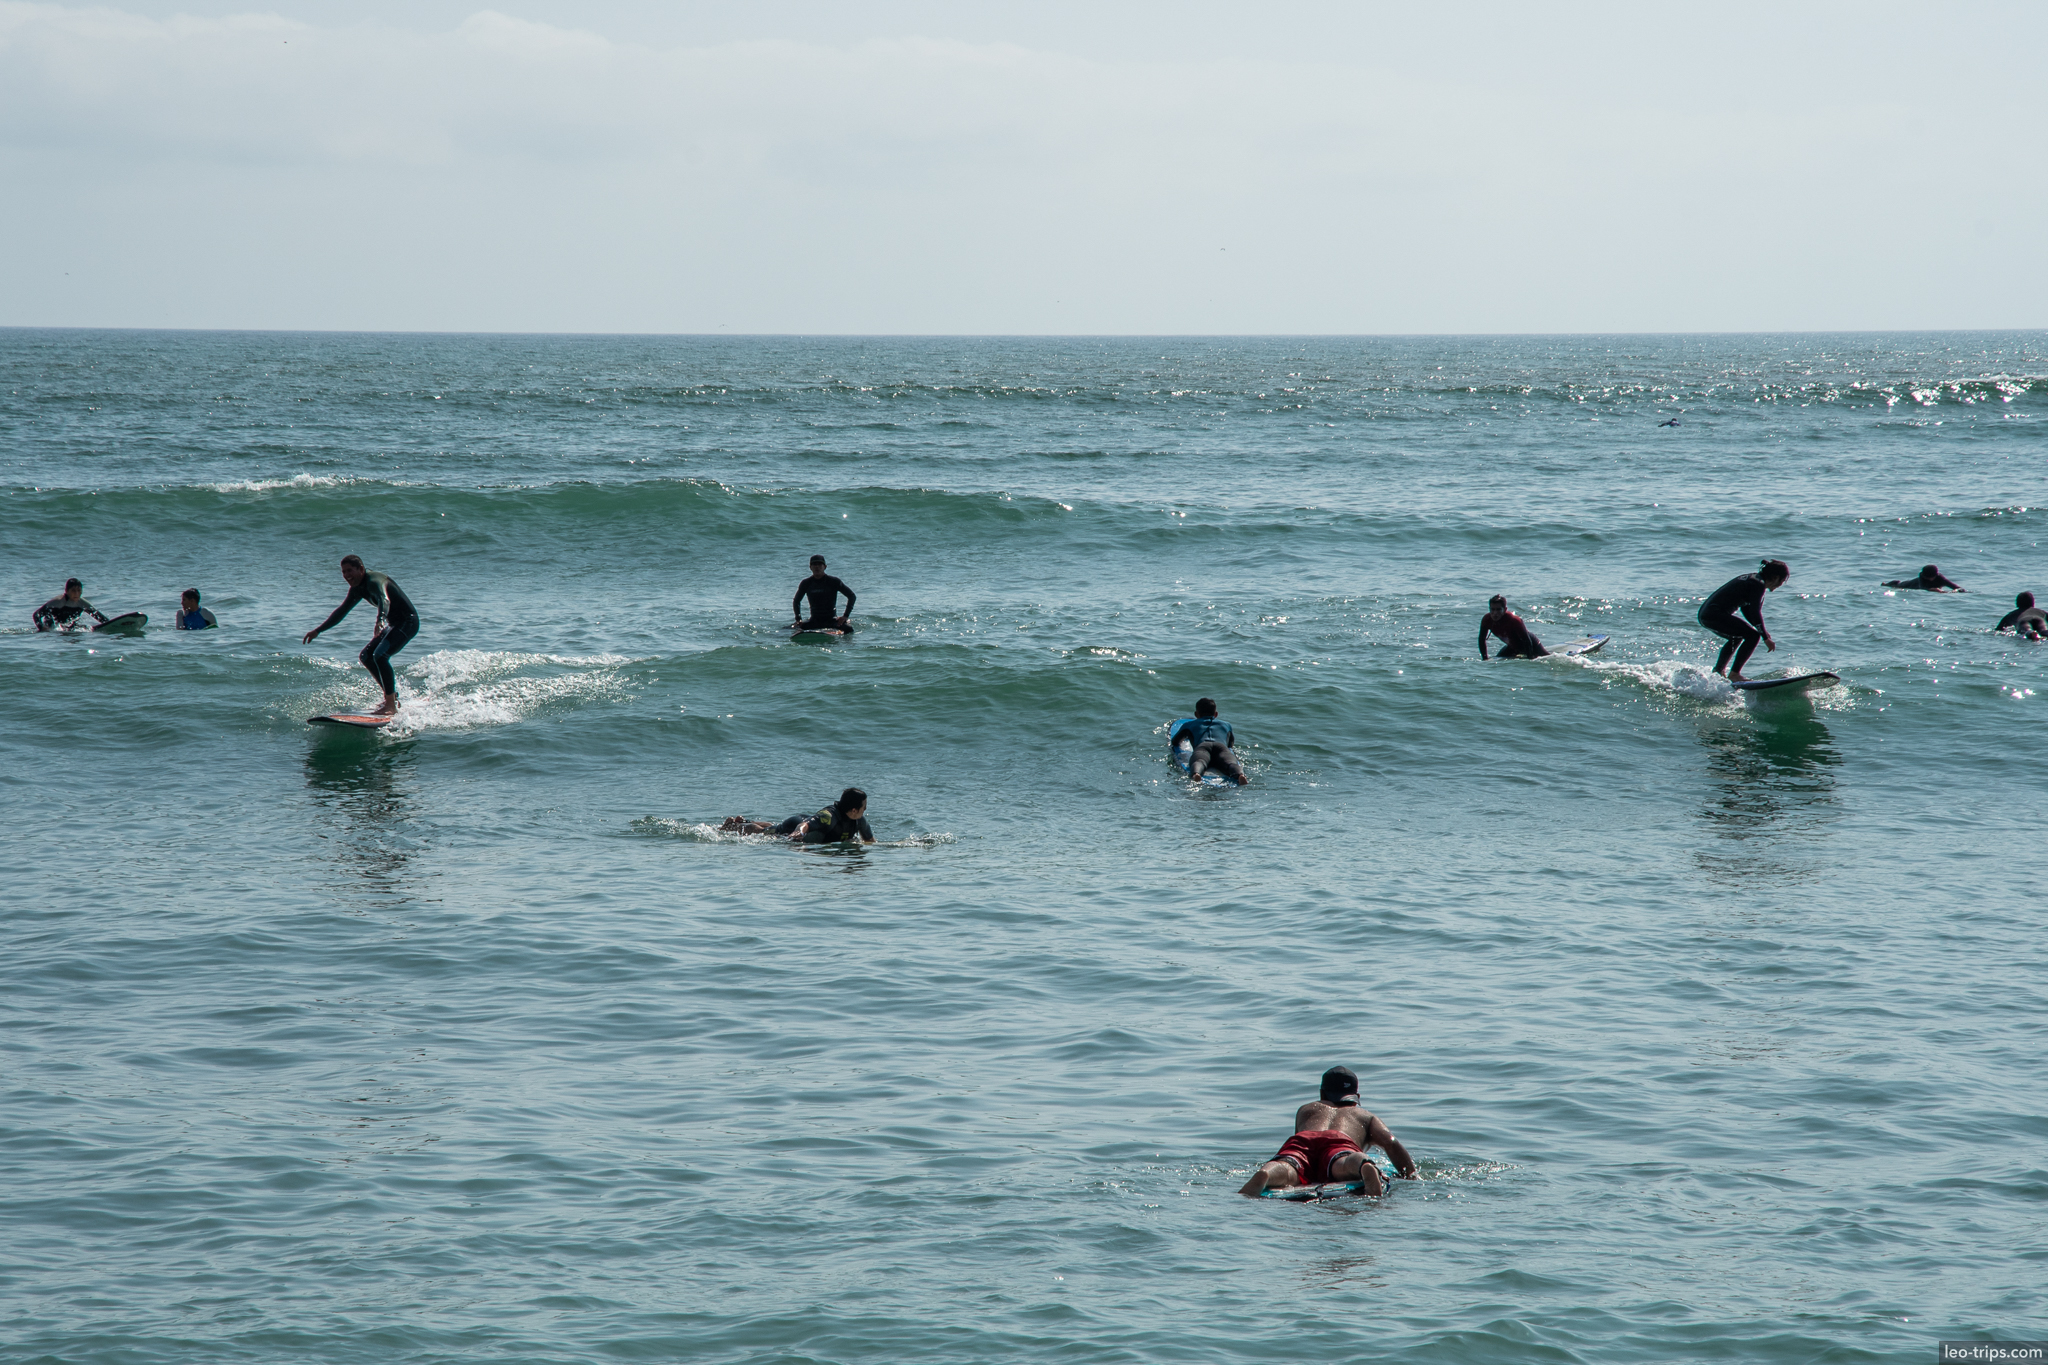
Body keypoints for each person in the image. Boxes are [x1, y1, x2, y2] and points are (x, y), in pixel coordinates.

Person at [1238, 1065, 1420, 1198]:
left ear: (1322, 1094)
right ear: (1356, 1097)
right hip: (1339, 1143)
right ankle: (1362, 1164)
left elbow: (1301, 1143)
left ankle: (1268, 1173)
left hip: (1303, 1141)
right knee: (1343, 1162)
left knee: (1291, 1164)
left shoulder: (1306, 1109)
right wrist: (1411, 1175)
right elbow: (1391, 1143)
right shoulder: (1364, 1116)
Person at [302, 555, 420, 716]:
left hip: (408, 622)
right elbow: (341, 611)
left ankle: (391, 705)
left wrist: (380, 620)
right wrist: (318, 630)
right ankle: (392, 698)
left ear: (361, 569)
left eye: (350, 570)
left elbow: (384, 600)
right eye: (343, 572)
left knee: (380, 655)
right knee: (366, 656)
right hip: (394, 624)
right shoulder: (357, 589)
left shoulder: (374, 581)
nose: (346, 575)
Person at [1699, 559, 1789, 682]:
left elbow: (1747, 610)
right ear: (1775, 577)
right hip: (1714, 614)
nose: (1781, 585)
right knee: (1753, 636)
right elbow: (1755, 613)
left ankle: (1719, 671)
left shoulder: (1754, 580)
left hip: (1707, 615)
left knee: (1737, 636)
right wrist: (1764, 637)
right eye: (1782, 581)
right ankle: (1735, 674)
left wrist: (1763, 631)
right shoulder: (1757, 585)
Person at [720, 788, 877, 844]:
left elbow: (870, 841)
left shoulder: (859, 821)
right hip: (797, 823)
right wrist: (799, 832)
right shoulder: (828, 816)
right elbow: (807, 824)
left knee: (775, 826)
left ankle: (745, 820)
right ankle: (734, 826)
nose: (866, 809)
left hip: (805, 821)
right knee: (771, 832)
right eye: (864, 807)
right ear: (854, 809)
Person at [1169, 699, 1247, 785]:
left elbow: (1175, 741)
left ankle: (1196, 774)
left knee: (1199, 761)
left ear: (1196, 714)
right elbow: (1230, 745)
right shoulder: (1227, 725)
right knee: (1230, 763)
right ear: (1216, 714)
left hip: (1202, 747)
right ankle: (1240, 775)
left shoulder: (1189, 725)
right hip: (1221, 747)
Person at [791, 555, 856, 631]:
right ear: (810, 567)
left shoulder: (834, 581)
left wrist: (845, 616)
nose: (817, 567)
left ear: (825, 567)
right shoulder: (806, 583)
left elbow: (852, 596)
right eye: (814, 564)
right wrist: (798, 619)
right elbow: (796, 601)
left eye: (819, 564)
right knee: (790, 629)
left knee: (849, 629)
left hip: (831, 621)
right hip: (814, 621)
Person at [1478, 594, 1548, 659]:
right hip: (1512, 647)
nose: (1495, 613)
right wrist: (1485, 658)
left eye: (1498, 609)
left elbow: (1526, 641)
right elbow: (1481, 639)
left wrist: (1529, 658)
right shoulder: (1487, 620)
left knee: (1547, 657)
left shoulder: (1514, 620)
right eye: (1492, 609)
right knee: (1497, 659)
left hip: (1532, 644)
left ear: (1505, 610)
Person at [32, 578, 109, 632]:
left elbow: (100, 618)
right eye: (73, 591)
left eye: (79, 591)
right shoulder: (57, 602)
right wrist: (42, 627)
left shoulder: (82, 603)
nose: (76, 593)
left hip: (71, 630)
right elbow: (36, 615)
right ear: (66, 591)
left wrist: (110, 625)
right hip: (54, 632)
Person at [1883, 564, 1965, 593]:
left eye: (1929, 577)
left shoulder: (1940, 578)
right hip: (1911, 585)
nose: (1928, 579)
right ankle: (1887, 584)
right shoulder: (1921, 577)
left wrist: (1957, 590)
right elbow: (1922, 588)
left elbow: (1956, 587)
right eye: (1925, 577)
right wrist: (1932, 589)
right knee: (1899, 585)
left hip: (1922, 586)